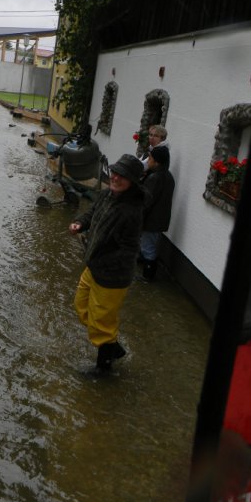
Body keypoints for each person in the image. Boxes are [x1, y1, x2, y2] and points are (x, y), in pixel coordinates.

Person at [69, 154, 147, 373]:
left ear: (132, 181)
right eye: (115, 173)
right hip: (93, 266)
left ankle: (103, 368)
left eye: (123, 176)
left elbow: (129, 250)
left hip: (112, 276)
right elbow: (92, 213)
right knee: (81, 307)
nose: (116, 178)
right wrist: (80, 223)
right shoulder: (106, 195)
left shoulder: (131, 211)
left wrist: (103, 259)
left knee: (102, 321)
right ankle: (113, 348)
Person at [139, 146, 175, 281]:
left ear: (157, 161)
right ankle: (147, 270)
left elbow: (147, 201)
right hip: (159, 219)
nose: (148, 160)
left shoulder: (155, 177)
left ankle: (147, 277)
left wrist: (139, 217)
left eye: (150, 158)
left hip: (152, 220)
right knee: (149, 245)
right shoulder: (168, 176)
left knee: (148, 248)